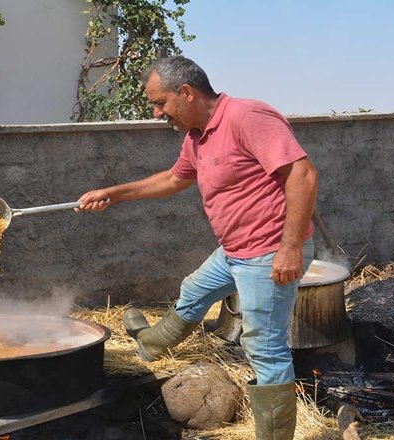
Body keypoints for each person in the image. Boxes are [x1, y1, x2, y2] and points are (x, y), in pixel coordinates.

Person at [77, 56, 317, 440]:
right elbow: (174, 179)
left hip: (267, 253)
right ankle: (149, 348)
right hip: (233, 251)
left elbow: (303, 175)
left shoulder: (247, 116)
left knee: (265, 348)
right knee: (193, 290)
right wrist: (114, 194)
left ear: (186, 92)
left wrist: (290, 248)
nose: (157, 113)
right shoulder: (197, 136)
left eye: (160, 103)